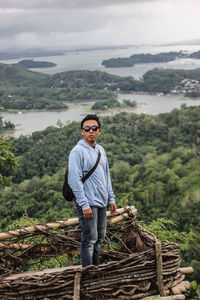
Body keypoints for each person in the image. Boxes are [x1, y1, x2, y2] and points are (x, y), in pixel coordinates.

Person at [68, 114, 117, 267]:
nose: (91, 131)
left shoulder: (100, 150)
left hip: (101, 201)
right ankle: (88, 274)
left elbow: (106, 175)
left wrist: (111, 198)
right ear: (82, 131)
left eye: (94, 128)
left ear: (99, 131)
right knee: (89, 239)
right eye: (87, 128)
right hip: (88, 202)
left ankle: (95, 269)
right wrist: (84, 204)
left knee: (100, 237)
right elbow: (73, 180)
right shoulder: (77, 151)